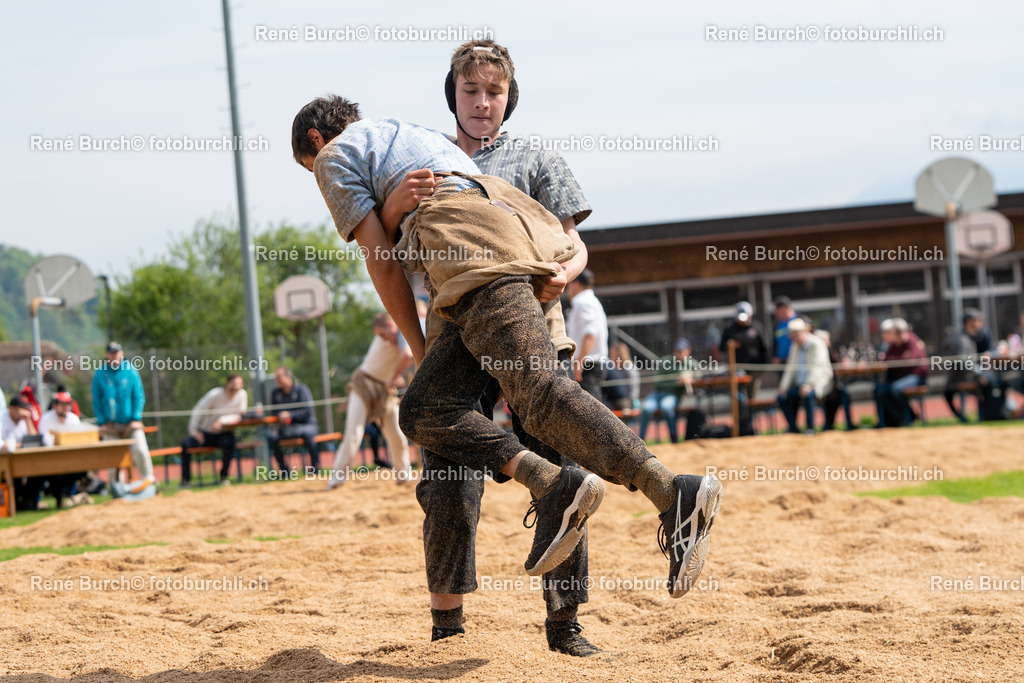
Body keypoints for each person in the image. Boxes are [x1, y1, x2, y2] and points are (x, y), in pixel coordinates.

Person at [292, 92, 722, 619]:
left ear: (314, 140)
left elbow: (380, 261)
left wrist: (419, 344)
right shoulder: (406, 133)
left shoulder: (334, 155)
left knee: (538, 394)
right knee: (426, 408)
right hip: (502, 232)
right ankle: (549, 481)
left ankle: (672, 491)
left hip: (463, 246)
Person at [377, 41, 602, 655]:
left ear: (510, 96)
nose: (482, 102)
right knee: (447, 480)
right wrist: (398, 202)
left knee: (565, 472)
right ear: (452, 93)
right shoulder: (425, 161)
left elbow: (573, 243)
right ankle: (446, 625)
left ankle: (566, 623)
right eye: (470, 91)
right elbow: (390, 249)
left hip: (536, 331)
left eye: (493, 91)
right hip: (453, 337)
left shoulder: (534, 155)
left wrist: (567, 272)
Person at [328, 313, 413, 490]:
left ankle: (403, 474)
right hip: (363, 384)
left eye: (382, 334)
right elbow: (406, 355)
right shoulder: (394, 337)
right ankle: (337, 478)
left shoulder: (403, 334)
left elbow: (405, 354)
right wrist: (393, 378)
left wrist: (392, 378)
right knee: (354, 433)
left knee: (396, 434)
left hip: (384, 390)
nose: (382, 338)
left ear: (391, 325)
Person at [91, 341, 156, 486]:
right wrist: (101, 422)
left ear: (122, 353)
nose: (114, 355)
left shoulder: (131, 371)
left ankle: (149, 481)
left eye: (117, 352)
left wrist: (136, 418)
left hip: (130, 423)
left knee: (140, 450)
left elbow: (138, 396)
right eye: (111, 353)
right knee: (113, 459)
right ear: (106, 355)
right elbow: (97, 400)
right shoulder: (100, 374)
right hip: (111, 425)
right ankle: (116, 487)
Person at [179, 374, 247, 487]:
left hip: (224, 433)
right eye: (234, 384)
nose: (236, 387)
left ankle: (223, 477)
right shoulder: (215, 395)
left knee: (230, 443)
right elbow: (198, 411)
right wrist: (194, 432)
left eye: (239, 384)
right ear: (227, 383)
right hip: (206, 434)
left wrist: (222, 421)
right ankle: (185, 481)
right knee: (186, 444)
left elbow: (239, 415)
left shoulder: (242, 395)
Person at [776, 318, 833, 434]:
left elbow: (818, 368)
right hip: (799, 386)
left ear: (804, 333)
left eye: (796, 335)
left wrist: (809, 384)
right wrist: (783, 388)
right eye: (793, 335)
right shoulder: (795, 347)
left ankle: (810, 428)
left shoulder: (816, 344)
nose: (794, 338)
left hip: (818, 384)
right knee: (782, 398)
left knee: (808, 394)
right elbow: (790, 370)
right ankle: (793, 428)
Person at [638, 338, 696, 443]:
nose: (679, 353)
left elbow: (700, 375)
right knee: (646, 408)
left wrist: (691, 378)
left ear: (688, 351)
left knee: (666, 406)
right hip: (657, 394)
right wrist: (676, 382)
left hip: (673, 395)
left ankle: (673, 438)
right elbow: (658, 382)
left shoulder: (692, 364)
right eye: (677, 351)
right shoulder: (666, 361)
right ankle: (640, 440)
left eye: (682, 351)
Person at [874, 318, 928, 427]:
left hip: (916, 376)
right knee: (880, 391)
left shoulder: (913, 341)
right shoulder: (893, 344)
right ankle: (899, 419)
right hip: (901, 377)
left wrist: (894, 358)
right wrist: (900, 357)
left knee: (896, 389)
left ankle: (907, 417)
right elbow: (886, 360)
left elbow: (911, 360)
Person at [566, 269, 609, 402]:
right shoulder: (592, 301)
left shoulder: (582, 302)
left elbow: (590, 334)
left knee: (591, 412)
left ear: (576, 283)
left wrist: (579, 362)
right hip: (591, 363)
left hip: (587, 365)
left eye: (569, 284)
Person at [267, 367, 320, 474]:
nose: (276, 380)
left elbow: (308, 411)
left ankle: (315, 468)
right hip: (289, 428)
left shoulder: (302, 389)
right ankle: (284, 471)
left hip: (307, 424)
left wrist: (290, 415)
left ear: (288, 377)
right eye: (275, 377)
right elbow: (274, 412)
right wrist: (280, 416)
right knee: (272, 437)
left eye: (279, 377)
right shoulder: (275, 393)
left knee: (308, 434)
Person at [719, 301, 768, 394]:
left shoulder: (757, 327)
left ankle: (752, 408)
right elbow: (721, 347)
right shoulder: (730, 329)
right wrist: (729, 345)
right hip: (737, 369)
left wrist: (763, 365)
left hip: (755, 369)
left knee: (752, 394)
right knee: (738, 395)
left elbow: (765, 347)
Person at [772, 296, 798, 364]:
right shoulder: (777, 324)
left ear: (785, 308)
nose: (776, 312)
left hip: (796, 361)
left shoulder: (799, 320)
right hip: (781, 363)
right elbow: (775, 342)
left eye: (777, 309)